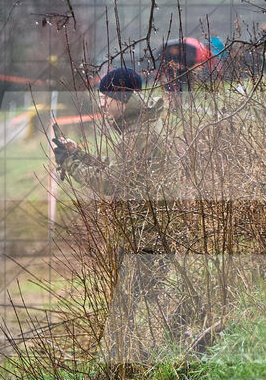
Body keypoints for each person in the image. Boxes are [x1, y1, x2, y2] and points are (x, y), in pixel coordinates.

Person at [51, 66, 175, 256]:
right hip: (148, 231)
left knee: (137, 287)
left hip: (145, 238)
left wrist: (69, 162)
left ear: (121, 99)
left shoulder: (139, 134)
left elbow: (110, 182)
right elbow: (124, 169)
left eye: (104, 98)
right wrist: (78, 154)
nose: (101, 105)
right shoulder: (144, 124)